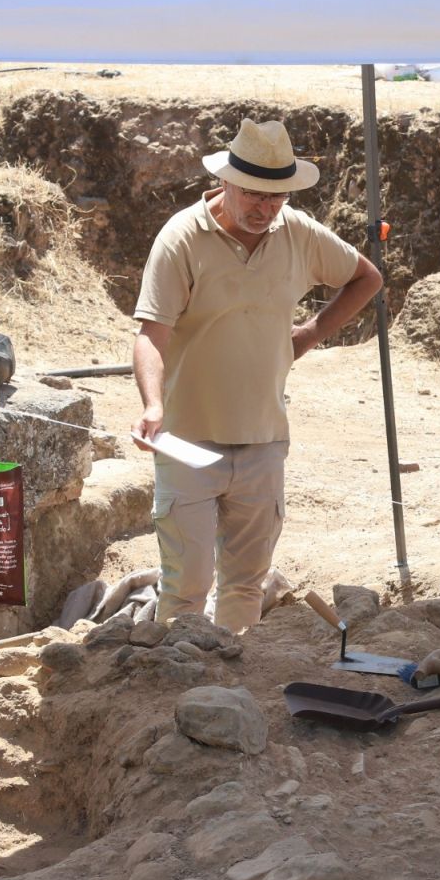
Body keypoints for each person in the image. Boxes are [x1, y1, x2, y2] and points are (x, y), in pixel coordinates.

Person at [132, 119, 382, 630]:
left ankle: (233, 669)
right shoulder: (181, 237)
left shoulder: (298, 233)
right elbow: (151, 334)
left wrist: (308, 334)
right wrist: (153, 405)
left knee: (246, 582)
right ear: (225, 181)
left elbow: (366, 277)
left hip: (264, 438)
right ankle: (176, 673)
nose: (265, 209)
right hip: (186, 438)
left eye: (276, 197)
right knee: (186, 585)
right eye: (253, 194)